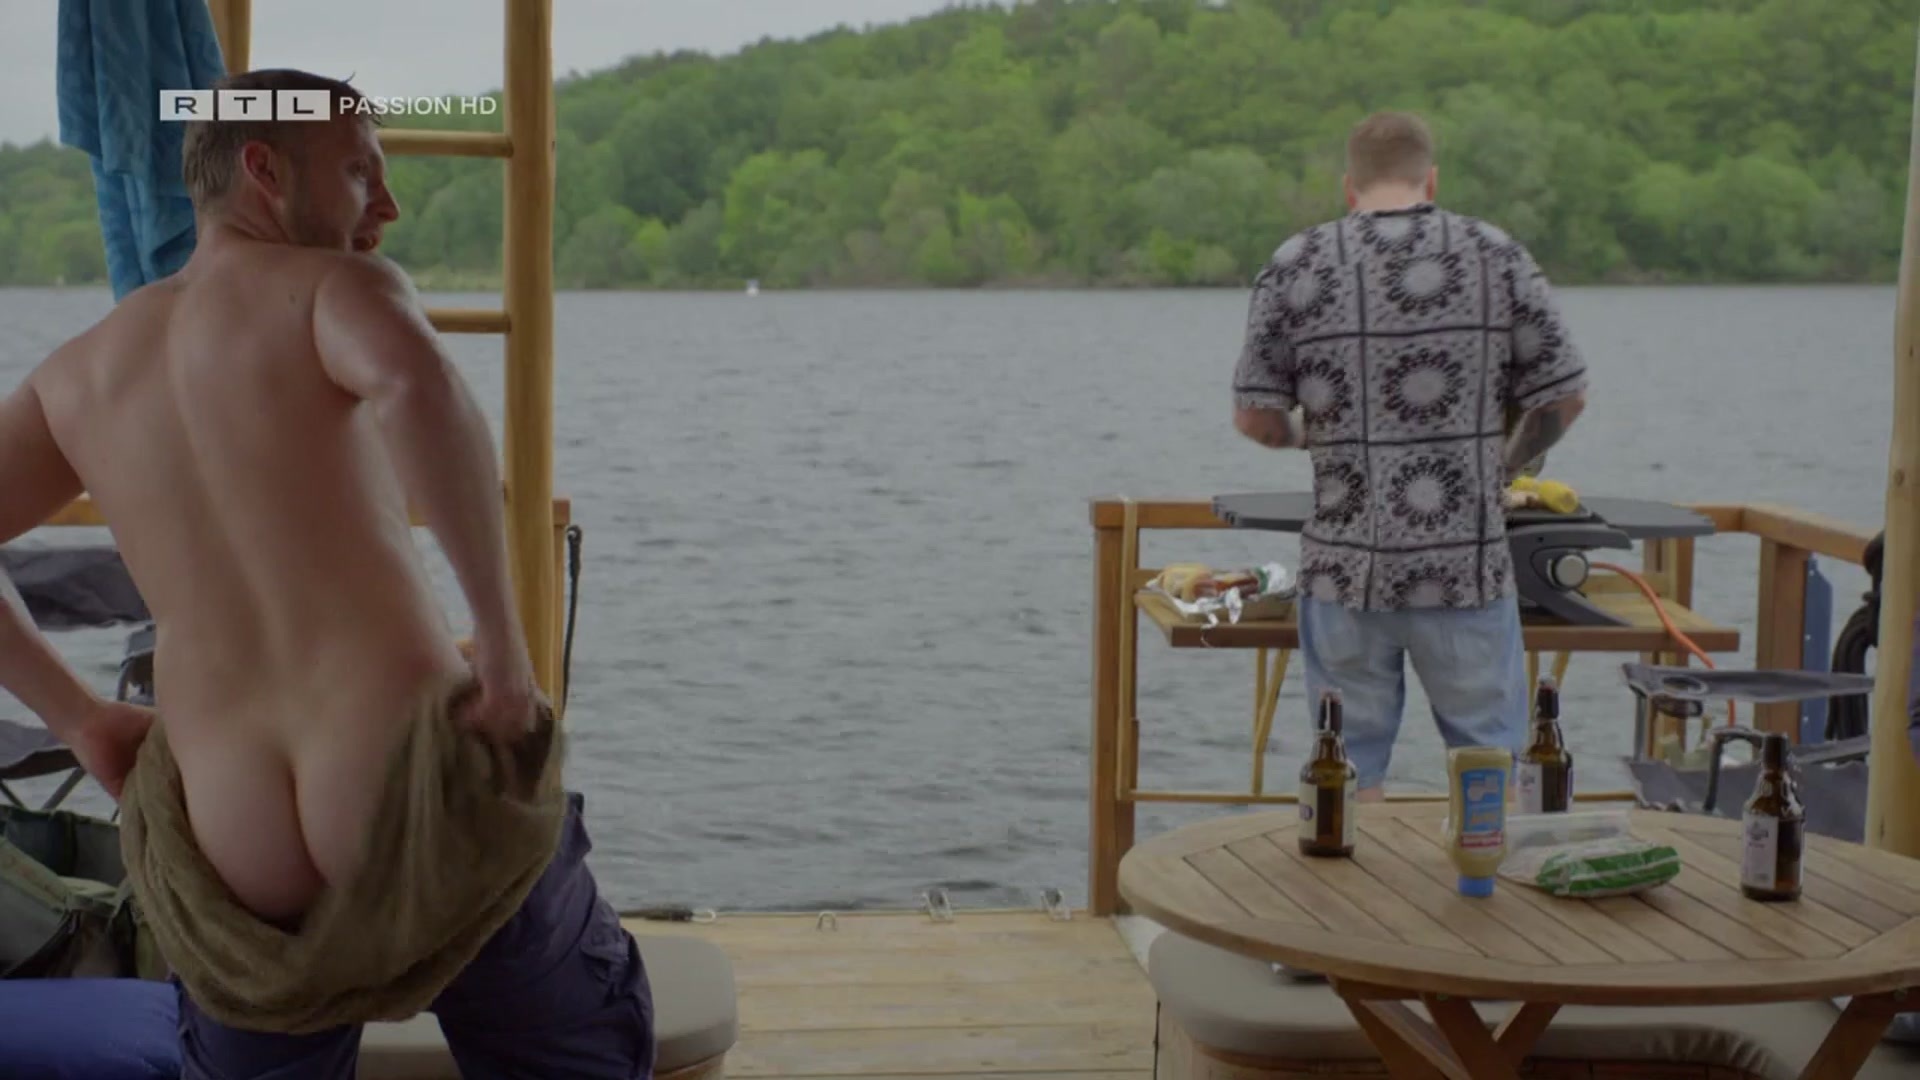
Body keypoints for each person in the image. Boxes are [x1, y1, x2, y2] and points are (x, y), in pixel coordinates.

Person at [0, 68, 653, 1078]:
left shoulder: (76, 374)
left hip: (231, 841)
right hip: (405, 780)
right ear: (264, 169)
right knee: (571, 1052)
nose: (386, 207)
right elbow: (416, 385)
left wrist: (80, 718)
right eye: (359, 172)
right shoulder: (332, 290)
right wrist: (504, 649)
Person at [1230, 110, 1588, 800]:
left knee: (1344, 775)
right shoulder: (1495, 254)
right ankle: (1488, 865)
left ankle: (1348, 868)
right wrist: (1505, 465)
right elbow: (1563, 398)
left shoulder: (1296, 262)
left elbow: (1257, 419)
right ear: (1432, 178)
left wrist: (1313, 434)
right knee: (1490, 767)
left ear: (1349, 185)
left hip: (1343, 573)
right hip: (1464, 568)